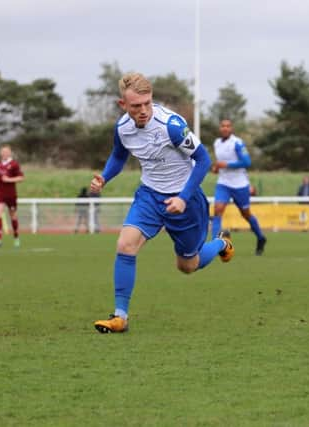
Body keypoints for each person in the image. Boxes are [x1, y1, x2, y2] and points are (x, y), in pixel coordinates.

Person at [90, 73, 234, 334]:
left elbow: (203, 161)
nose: (143, 110)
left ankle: (222, 243)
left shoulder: (172, 126)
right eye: (136, 106)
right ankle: (120, 316)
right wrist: (105, 177)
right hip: (149, 196)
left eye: (147, 103)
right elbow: (118, 157)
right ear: (123, 105)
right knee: (125, 245)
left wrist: (183, 197)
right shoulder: (122, 128)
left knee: (188, 266)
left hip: (185, 201)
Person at [211, 119, 267, 255]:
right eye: (223, 126)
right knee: (217, 210)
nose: (225, 128)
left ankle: (261, 237)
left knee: (246, 214)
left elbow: (247, 162)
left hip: (240, 184)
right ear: (220, 128)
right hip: (223, 183)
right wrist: (216, 168)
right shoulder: (217, 143)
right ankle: (215, 244)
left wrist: (227, 165)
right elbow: (220, 163)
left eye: (228, 126)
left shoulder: (237, 143)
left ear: (231, 128)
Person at [0, 145, 25, 248]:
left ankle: (16, 237)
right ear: (0, 153)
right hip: (0, 194)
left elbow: (21, 178)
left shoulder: (14, 164)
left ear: (10, 153)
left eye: (6, 152)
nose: (4, 153)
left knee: (13, 216)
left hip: (11, 195)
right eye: (2, 152)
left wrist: (9, 180)